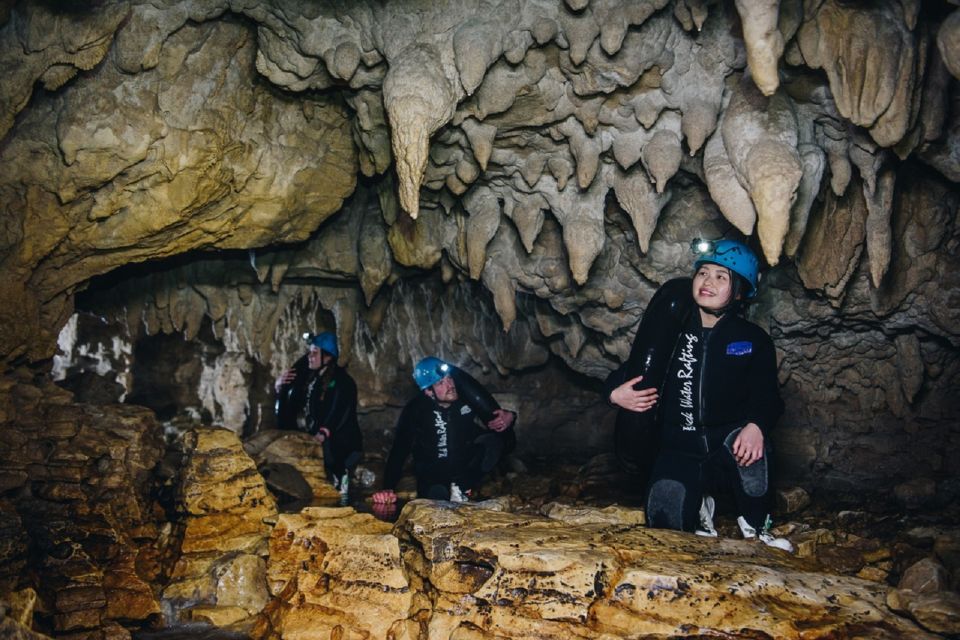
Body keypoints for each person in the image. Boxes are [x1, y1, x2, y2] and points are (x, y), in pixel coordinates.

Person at [605, 238, 792, 551]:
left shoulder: (752, 340)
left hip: (727, 444)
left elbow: (768, 397)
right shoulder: (672, 333)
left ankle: (756, 525)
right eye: (703, 273)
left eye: (721, 277)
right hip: (679, 448)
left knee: (754, 452)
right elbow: (630, 372)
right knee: (664, 524)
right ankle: (700, 511)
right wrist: (614, 394)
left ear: (739, 290)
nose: (708, 282)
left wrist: (757, 426)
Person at [371, 357, 516, 505]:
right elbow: (399, 451)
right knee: (438, 504)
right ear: (428, 391)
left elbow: (501, 432)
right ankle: (453, 491)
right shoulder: (415, 411)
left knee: (494, 441)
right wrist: (387, 487)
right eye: (441, 383)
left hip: (464, 470)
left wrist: (511, 416)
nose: (450, 385)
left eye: (450, 379)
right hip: (433, 474)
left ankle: (463, 487)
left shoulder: (465, 400)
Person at [274, 331, 363, 501]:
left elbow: (338, 410)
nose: (309, 356)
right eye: (310, 352)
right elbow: (293, 404)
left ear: (328, 358)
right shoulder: (312, 380)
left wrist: (323, 433)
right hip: (324, 446)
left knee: (337, 495)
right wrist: (279, 386)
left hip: (342, 448)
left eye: (315, 353)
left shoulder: (343, 381)